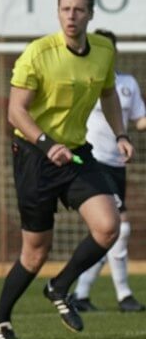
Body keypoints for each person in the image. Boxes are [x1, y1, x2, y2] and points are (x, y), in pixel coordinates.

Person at [0, 0, 134, 339]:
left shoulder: (103, 51)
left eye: (79, 10)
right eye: (65, 9)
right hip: (34, 157)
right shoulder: (38, 53)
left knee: (109, 225)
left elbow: (109, 93)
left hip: (76, 153)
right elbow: (15, 111)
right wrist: (46, 143)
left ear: (90, 15)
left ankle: (59, 286)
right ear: (57, 13)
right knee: (35, 252)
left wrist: (120, 134)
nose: (71, 16)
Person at [71, 29, 146, 313]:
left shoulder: (127, 83)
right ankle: (124, 295)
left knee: (110, 230)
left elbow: (138, 120)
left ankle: (81, 293)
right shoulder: (85, 80)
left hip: (117, 164)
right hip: (93, 161)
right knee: (120, 227)